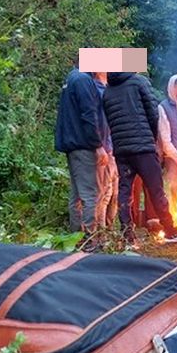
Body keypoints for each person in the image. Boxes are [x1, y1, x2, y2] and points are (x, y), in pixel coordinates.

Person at [102, 71, 177, 244]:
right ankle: (170, 230)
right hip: (143, 148)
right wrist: (152, 138)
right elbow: (153, 113)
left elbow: (109, 121)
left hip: (121, 149)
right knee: (156, 189)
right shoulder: (139, 82)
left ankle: (127, 233)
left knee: (125, 191)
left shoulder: (107, 91)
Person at [54, 60, 104, 234]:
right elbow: (89, 114)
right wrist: (98, 144)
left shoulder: (72, 78)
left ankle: (76, 236)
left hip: (72, 144)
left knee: (76, 194)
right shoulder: (83, 80)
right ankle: (90, 238)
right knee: (90, 194)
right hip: (83, 145)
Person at [91, 73, 118, 229]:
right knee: (102, 192)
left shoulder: (108, 89)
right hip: (103, 148)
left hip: (112, 148)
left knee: (112, 192)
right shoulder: (95, 89)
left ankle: (108, 227)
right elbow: (97, 121)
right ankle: (97, 231)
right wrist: (100, 146)